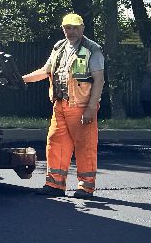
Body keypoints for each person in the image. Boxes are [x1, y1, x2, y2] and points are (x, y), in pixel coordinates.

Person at [20, 12, 105, 199]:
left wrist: (91, 107)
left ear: (82, 28)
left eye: (75, 27)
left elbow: (99, 80)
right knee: (56, 143)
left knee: (85, 146)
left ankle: (86, 187)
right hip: (60, 105)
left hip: (82, 106)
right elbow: (45, 71)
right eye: (68, 27)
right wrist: (22, 80)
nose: (71, 31)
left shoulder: (92, 49)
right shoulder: (59, 47)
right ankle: (55, 184)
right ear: (63, 29)